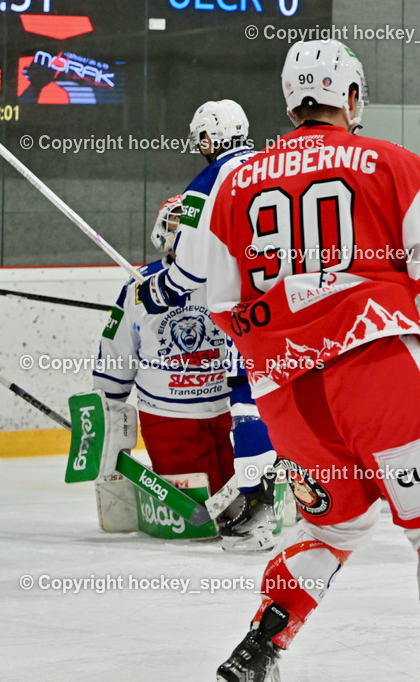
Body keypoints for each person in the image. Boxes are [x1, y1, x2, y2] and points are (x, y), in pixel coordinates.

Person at [201, 40, 420, 681]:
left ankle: (258, 649)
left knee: (330, 530)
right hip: (381, 375)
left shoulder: (235, 182)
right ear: (351, 97)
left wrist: (292, 323)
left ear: (292, 102)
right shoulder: (389, 162)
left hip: (286, 396)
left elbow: (221, 307)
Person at [140, 99, 280, 551]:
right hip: (300, 304)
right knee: (284, 402)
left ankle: (257, 514)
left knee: (244, 404)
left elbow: (192, 268)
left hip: (249, 312)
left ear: (210, 137)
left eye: (201, 137)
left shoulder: (208, 181)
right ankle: (316, 498)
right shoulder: (275, 166)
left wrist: (159, 291)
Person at [92, 196, 234, 494]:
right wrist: (107, 413)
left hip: (229, 412)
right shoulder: (140, 285)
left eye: (192, 224)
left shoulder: (232, 276)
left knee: (245, 503)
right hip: (170, 416)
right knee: (200, 512)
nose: (183, 231)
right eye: (176, 222)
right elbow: (117, 355)